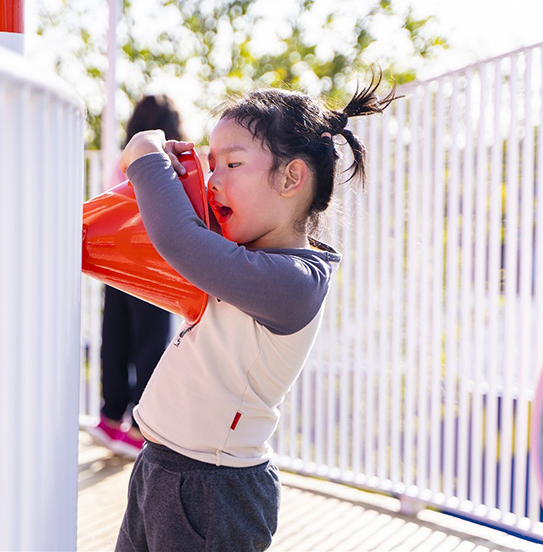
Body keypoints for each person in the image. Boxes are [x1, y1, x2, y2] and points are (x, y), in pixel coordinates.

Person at [113, 71, 397, 551]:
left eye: (233, 163)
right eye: (212, 164)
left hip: (211, 491)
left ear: (291, 177)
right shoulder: (248, 261)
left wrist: (145, 157)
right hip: (162, 468)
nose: (214, 180)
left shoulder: (293, 284)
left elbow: (181, 241)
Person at [86, 94, 185, 458]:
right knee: (151, 347)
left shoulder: (121, 163)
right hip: (154, 266)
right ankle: (144, 428)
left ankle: (111, 419)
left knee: (115, 338)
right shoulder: (170, 166)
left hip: (116, 263)